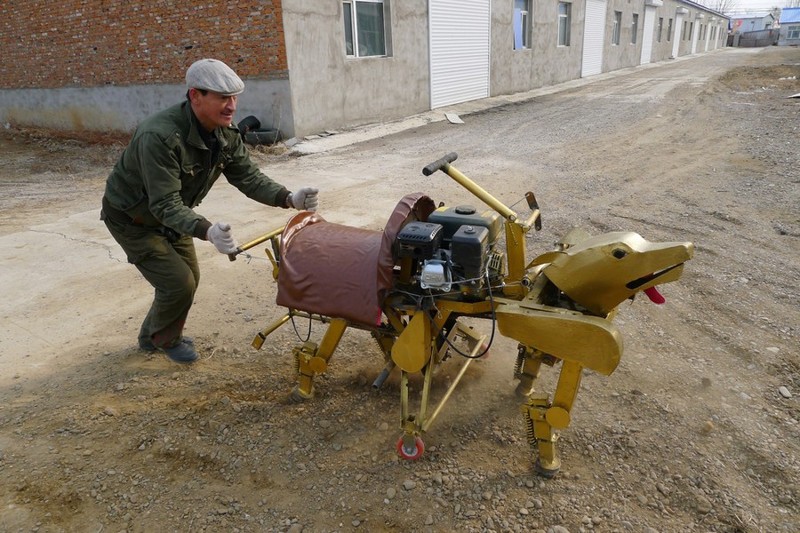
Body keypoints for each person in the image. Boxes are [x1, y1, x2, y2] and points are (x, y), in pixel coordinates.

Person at [101, 58, 318, 363]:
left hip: (171, 216)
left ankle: (150, 336)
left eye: (234, 97)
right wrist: (207, 231)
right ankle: (166, 339)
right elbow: (163, 203)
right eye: (222, 98)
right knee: (179, 283)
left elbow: (248, 177)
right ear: (195, 96)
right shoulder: (159, 137)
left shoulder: (224, 133)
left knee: (188, 277)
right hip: (133, 219)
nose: (231, 106)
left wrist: (287, 198)